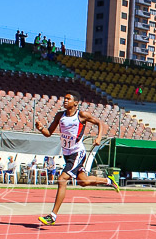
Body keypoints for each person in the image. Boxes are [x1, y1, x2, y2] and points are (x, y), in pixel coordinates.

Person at [35, 91, 120, 226]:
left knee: (62, 180)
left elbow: (100, 123)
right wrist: (40, 128)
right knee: (83, 182)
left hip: (77, 153)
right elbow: (48, 133)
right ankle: (108, 180)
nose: (65, 100)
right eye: (64, 98)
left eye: (68, 99)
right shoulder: (60, 116)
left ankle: (52, 216)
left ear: (76, 102)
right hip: (67, 154)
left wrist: (98, 138)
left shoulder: (81, 115)